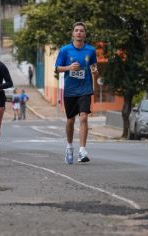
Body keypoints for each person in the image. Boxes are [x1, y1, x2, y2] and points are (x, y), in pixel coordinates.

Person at [55, 22, 99, 164]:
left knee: (84, 118)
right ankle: (69, 146)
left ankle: (82, 150)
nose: (79, 33)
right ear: (73, 34)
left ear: (85, 34)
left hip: (85, 89)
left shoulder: (91, 50)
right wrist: (68, 67)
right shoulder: (65, 50)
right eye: (76, 30)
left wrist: (96, 72)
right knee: (70, 120)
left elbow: (93, 67)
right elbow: (57, 68)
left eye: (81, 31)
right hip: (70, 90)